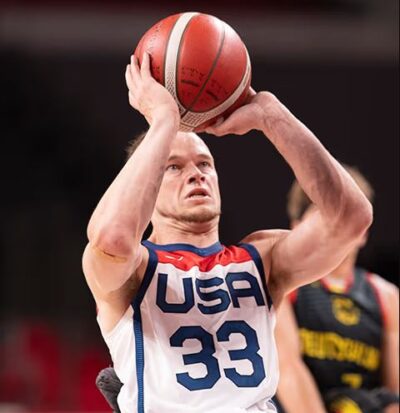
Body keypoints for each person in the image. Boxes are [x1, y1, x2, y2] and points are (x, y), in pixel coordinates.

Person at [82, 52, 373, 413]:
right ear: (147, 183)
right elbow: (112, 238)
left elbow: (351, 218)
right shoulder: (135, 270)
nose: (197, 173)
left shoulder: (262, 257)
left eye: (205, 163)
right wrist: (163, 123)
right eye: (173, 167)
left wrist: (272, 116)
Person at [274, 168, 399, 413]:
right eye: (325, 220)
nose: (336, 232)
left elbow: (395, 391)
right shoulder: (283, 286)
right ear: (297, 228)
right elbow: (288, 371)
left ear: (363, 231)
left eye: (345, 221)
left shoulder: (386, 296)